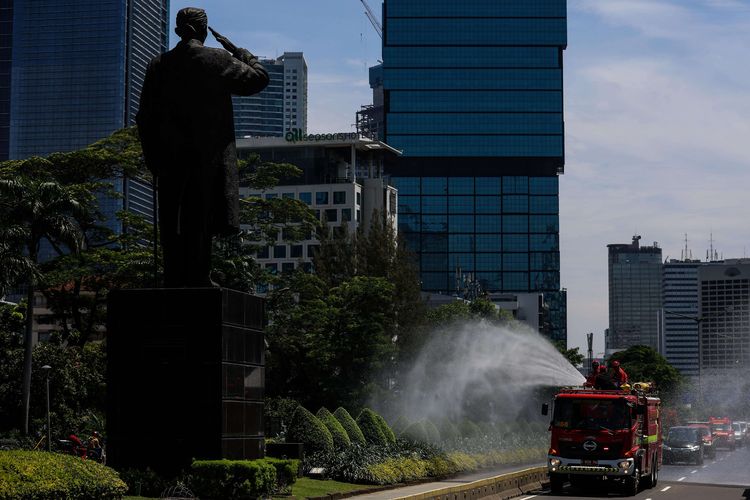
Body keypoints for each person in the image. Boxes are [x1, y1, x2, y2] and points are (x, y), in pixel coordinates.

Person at [136, 7, 269, 287]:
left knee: (171, 219)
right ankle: (198, 276)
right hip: (206, 157)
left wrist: (152, 156)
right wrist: (242, 53)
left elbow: (144, 116)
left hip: (169, 158)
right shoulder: (217, 59)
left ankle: (173, 276)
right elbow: (258, 79)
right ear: (203, 30)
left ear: (178, 30)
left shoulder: (159, 64)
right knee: (200, 218)